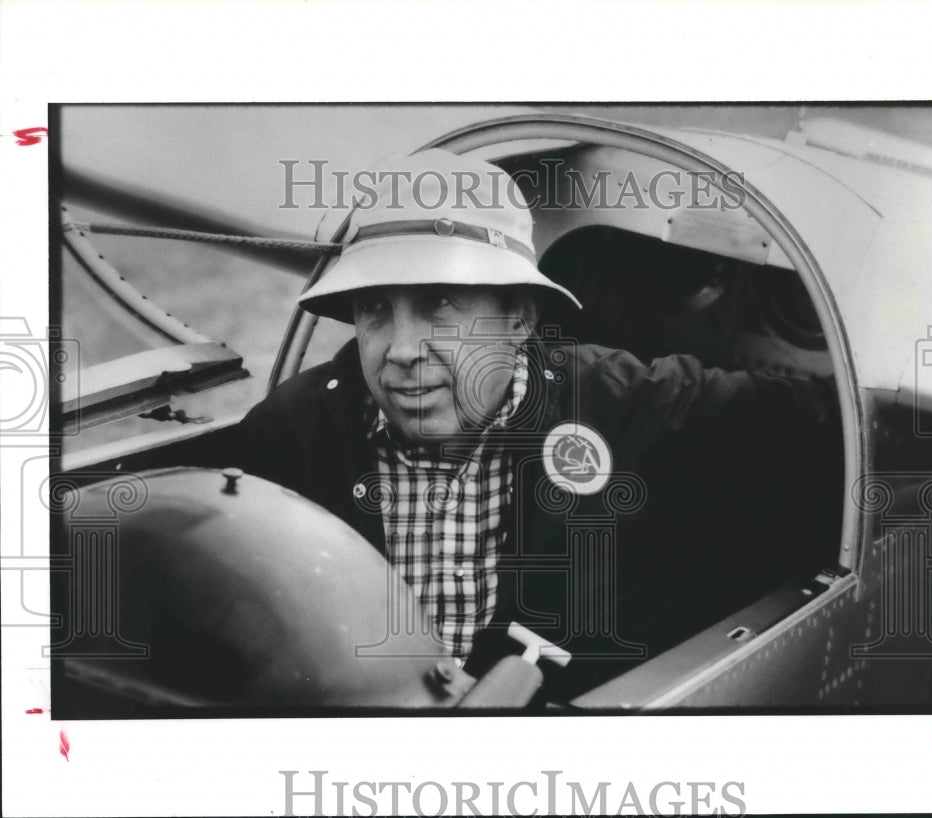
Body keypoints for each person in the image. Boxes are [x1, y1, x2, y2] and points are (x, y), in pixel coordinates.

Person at [236, 149, 839, 698]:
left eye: (439, 305)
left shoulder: (619, 400)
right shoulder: (289, 434)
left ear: (520, 320)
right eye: (374, 309)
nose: (400, 349)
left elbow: (831, 427)